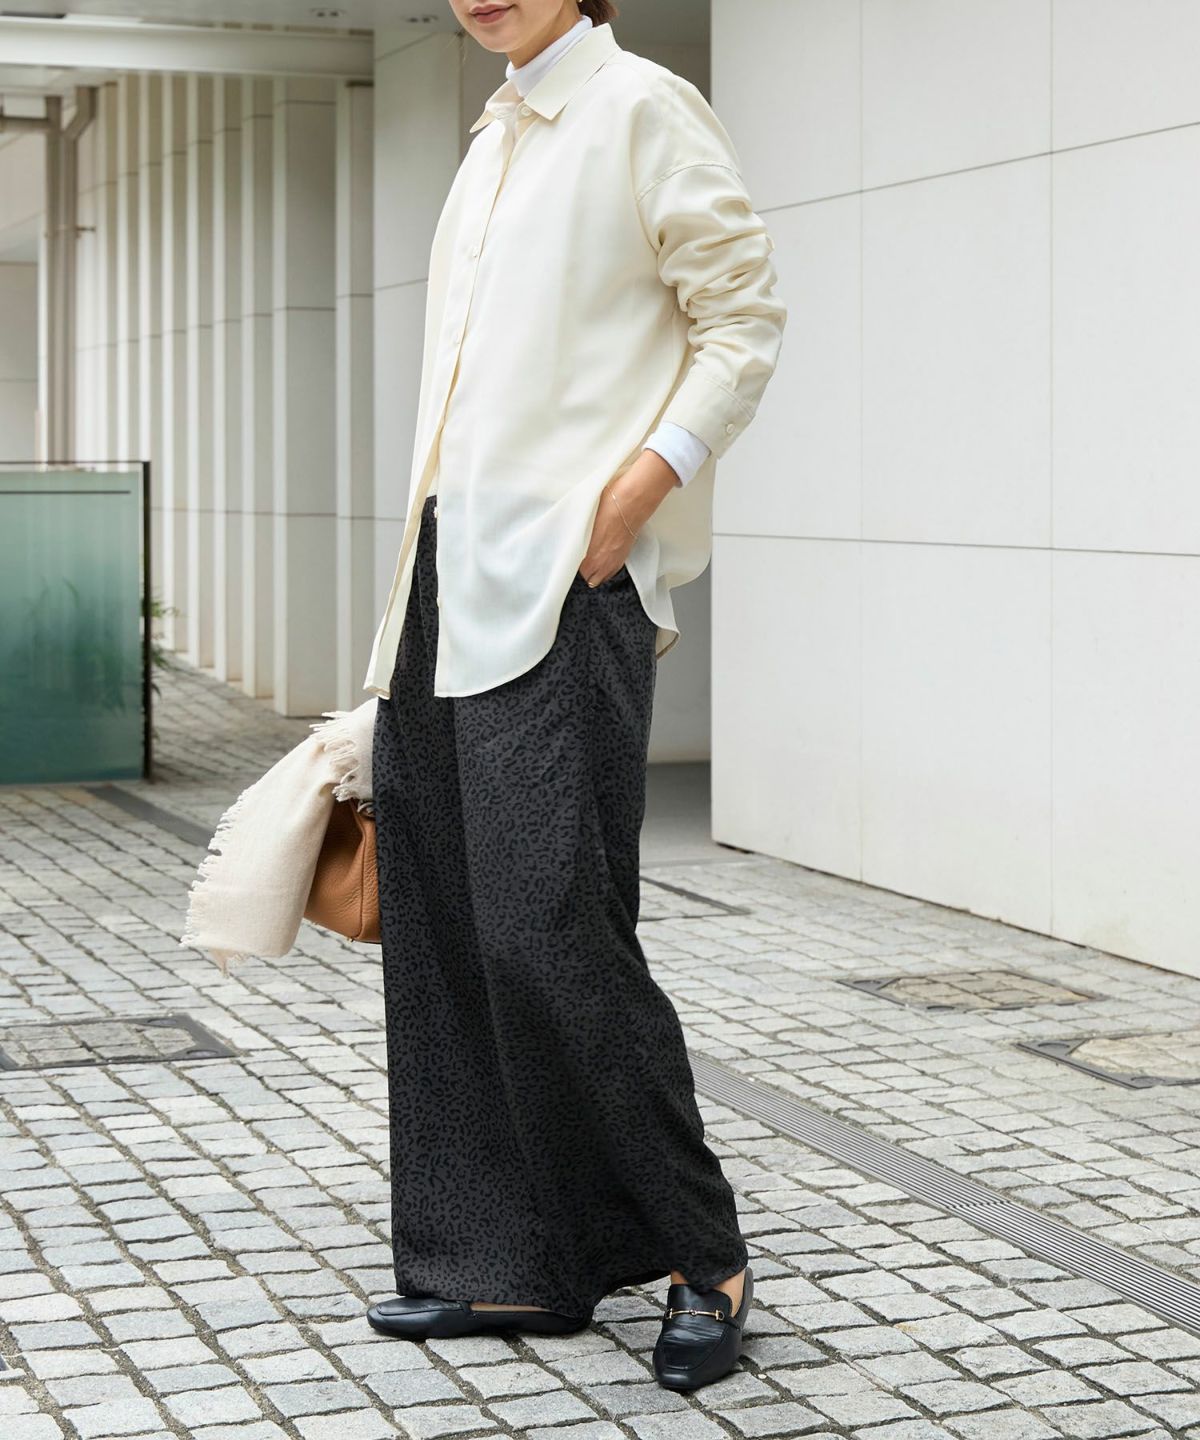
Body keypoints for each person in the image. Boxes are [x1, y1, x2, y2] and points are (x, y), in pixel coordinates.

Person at [362, 0, 786, 1393]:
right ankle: (507, 1260)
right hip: (445, 570)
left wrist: (632, 499)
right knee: (448, 922)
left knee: (555, 928)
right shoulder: (492, 139)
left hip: (562, 576)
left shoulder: (639, 107)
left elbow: (742, 321)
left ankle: (704, 1254)